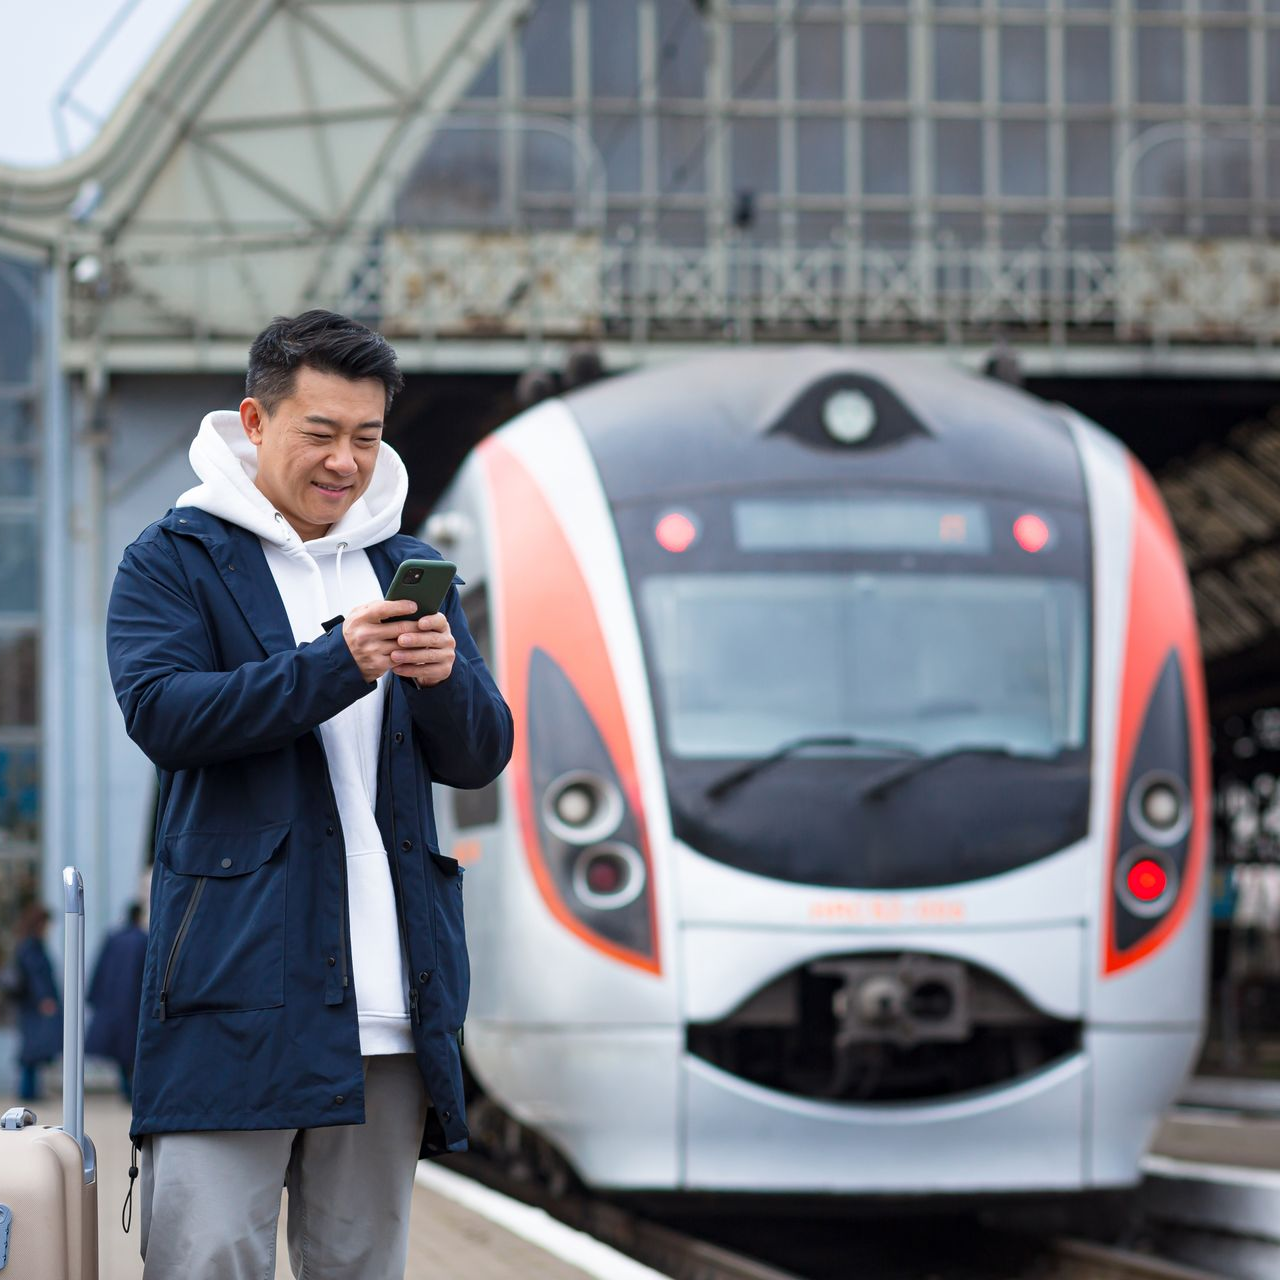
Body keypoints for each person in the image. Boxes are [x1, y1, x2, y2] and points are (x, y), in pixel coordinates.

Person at [105, 310, 513, 1279]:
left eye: (366, 437)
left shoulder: (401, 565)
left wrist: (444, 673)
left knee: (360, 1267)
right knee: (208, 1259)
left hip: (390, 1003)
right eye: (320, 433)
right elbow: (163, 713)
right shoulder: (173, 558)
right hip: (229, 995)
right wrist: (336, 662)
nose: (345, 461)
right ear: (255, 419)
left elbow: (483, 751)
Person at [86, 902, 147, 1100]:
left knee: (122, 1049)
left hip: (114, 1003)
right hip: (135, 1003)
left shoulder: (113, 939)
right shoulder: (142, 940)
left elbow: (100, 970)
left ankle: (125, 1088)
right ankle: (131, 1090)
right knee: (133, 1048)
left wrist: (94, 997)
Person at [10, 903, 60, 1102]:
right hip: (34, 1005)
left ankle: (29, 1090)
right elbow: (35, 975)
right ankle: (27, 1091)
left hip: (31, 1004)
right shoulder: (31, 946)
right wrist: (44, 998)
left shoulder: (28, 944)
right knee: (33, 1048)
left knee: (33, 1048)